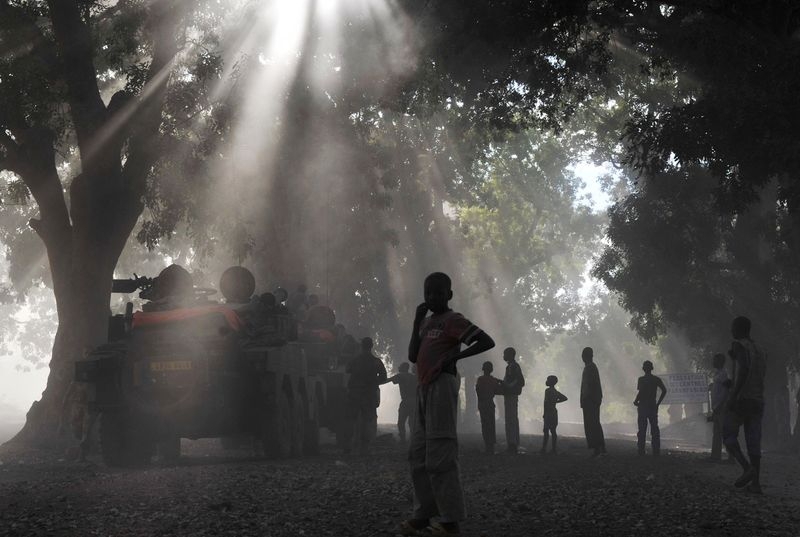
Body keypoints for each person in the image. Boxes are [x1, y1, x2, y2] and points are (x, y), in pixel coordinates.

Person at [398, 272, 495, 537]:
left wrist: (456, 355)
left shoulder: (453, 320)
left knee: (440, 452)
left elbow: (485, 340)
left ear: (449, 295)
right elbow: (412, 356)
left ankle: (451, 521)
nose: (433, 297)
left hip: (442, 385)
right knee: (418, 454)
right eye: (428, 293)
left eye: (439, 293)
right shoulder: (426, 322)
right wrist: (417, 320)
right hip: (424, 388)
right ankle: (424, 513)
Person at [723, 316, 766, 494]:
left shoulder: (738, 345)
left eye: (733, 327)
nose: (731, 331)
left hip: (743, 398)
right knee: (754, 442)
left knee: (728, 434)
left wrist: (733, 395)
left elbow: (745, 369)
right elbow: (759, 371)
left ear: (738, 329)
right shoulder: (760, 349)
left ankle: (746, 467)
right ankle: (756, 484)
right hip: (758, 399)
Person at [344, 337, 388, 454]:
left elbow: (347, 370)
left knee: (351, 419)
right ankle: (364, 447)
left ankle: (348, 445)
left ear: (361, 346)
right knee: (367, 420)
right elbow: (383, 377)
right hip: (369, 394)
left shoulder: (355, 360)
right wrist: (373, 382)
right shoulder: (376, 361)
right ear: (371, 346)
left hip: (355, 393)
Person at [633, 360, 667, 456]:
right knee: (654, 429)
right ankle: (656, 451)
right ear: (651, 368)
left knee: (642, 429)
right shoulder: (656, 379)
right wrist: (658, 403)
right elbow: (664, 390)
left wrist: (636, 401)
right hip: (652, 406)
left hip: (643, 406)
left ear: (644, 369)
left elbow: (641, 392)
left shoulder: (641, 379)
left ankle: (641, 450)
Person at [580, 347, 606, 457]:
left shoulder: (590, 368)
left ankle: (597, 447)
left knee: (592, 424)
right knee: (594, 423)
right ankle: (600, 446)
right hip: (593, 399)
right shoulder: (591, 367)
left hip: (590, 400)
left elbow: (588, 386)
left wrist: (584, 398)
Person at [708, 353, 732, 462]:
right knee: (717, 433)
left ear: (719, 362)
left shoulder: (723, 374)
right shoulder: (718, 374)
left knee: (724, 432)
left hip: (721, 407)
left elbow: (727, 391)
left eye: (715, 360)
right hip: (717, 407)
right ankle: (715, 456)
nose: (713, 362)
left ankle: (732, 457)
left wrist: (721, 404)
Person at [475, 361, 503, 454]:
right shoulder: (494, 380)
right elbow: (498, 390)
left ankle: (487, 445)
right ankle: (491, 447)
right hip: (490, 404)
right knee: (491, 424)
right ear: (491, 369)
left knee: (485, 424)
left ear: (483, 369)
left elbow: (478, 391)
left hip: (483, 403)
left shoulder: (480, 379)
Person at [387, 363, 418, 442]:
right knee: (412, 422)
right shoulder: (413, 377)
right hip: (414, 401)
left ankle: (403, 438)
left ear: (403, 368)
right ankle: (412, 438)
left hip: (406, 401)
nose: (398, 367)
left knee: (401, 421)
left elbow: (387, 380)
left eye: (400, 366)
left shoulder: (400, 376)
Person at [502, 347, 525, 454]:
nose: (503, 356)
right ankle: (513, 443)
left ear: (509, 355)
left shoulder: (513, 366)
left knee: (510, 419)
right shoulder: (512, 366)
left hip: (511, 395)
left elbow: (520, 381)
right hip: (511, 395)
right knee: (512, 419)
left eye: (505, 354)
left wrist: (507, 386)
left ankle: (512, 444)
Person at [541, 375, 568, 454]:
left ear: (550, 382)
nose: (546, 381)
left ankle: (544, 448)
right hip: (554, 412)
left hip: (548, 412)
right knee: (553, 431)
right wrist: (555, 402)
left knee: (546, 431)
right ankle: (553, 449)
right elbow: (565, 398)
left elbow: (545, 403)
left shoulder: (547, 391)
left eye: (548, 380)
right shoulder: (556, 392)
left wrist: (544, 413)